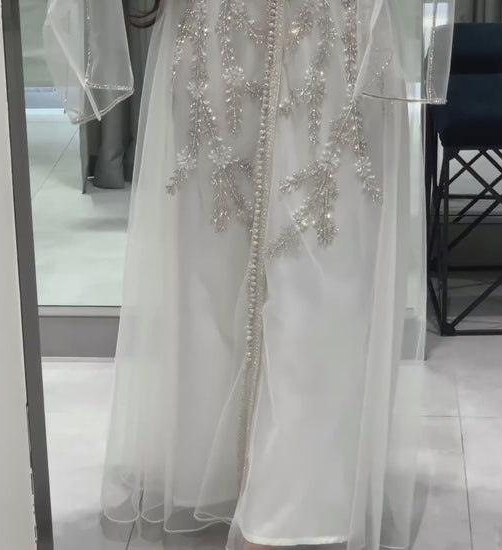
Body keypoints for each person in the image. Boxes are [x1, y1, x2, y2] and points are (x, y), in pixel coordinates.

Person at [44, 1, 455, 549]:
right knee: (213, 273)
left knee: (325, 273)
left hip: (334, 40)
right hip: (219, 39)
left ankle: (293, 498)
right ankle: (222, 474)